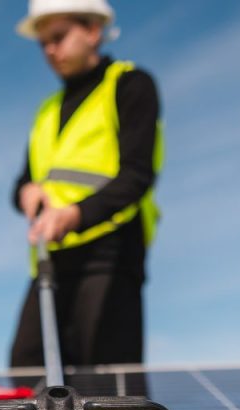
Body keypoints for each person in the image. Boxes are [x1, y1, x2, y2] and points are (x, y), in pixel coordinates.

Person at [9, 0, 162, 371]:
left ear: (92, 31)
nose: (50, 50)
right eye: (43, 42)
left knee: (109, 382)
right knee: (26, 366)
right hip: (51, 258)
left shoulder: (128, 84)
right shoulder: (47, 110)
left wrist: (75, 215)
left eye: (59, 37)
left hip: (111, 254)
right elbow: (24, 181)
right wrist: (26, 193)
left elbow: (136, 175)